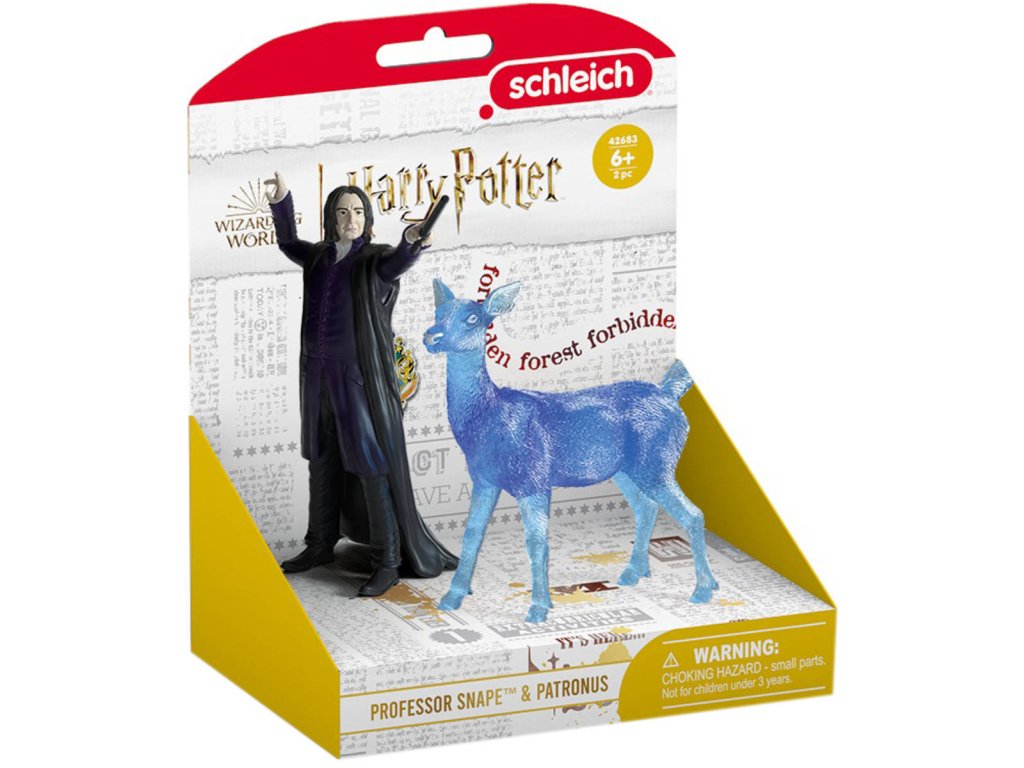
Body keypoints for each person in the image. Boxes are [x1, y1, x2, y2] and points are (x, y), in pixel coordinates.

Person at [265, 172, 457, 596]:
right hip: (315, 376)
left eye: (356, 212)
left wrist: (411, 242)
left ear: (367, 219)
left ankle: (386, 561)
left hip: (354, 378)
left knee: (370, 464)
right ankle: (319, 544)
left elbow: (398, 261)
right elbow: (288, 242)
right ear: (331, 218)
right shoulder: (318, 257)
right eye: (341, 212)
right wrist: (282, 200)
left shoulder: (373, 260)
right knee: (321, 458)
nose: (349, 219)